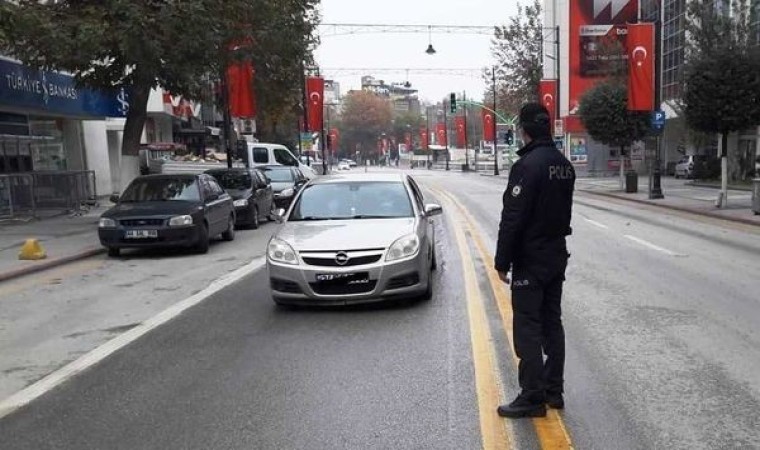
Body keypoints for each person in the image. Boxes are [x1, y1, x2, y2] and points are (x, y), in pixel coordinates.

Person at [494, 103, 576, 418]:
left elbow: (513, 217)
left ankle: (532, 396)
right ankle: (554, 391)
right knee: (552, 323)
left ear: (525, 130)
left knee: (528, 326)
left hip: (531, 258)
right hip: (556, 254)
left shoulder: (528, 165)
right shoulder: (563, 165)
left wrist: (502, 261)